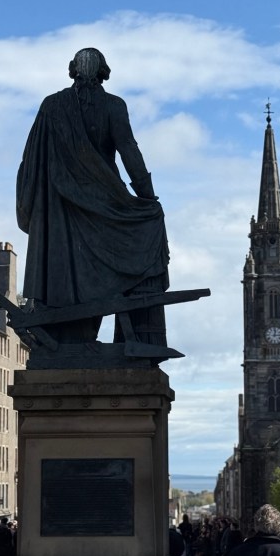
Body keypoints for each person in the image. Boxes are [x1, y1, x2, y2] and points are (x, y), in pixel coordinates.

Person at [16, 47, 169, 348]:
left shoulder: (51, 106)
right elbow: (129, 152)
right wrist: (148, 199)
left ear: (72, 70)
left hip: (61, 205)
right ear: (104, 73)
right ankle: (131, 330)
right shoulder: (112, 105)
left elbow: (31, 162)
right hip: (102, 202)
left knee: (72, 263)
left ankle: (79, 330)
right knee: (151, 222)